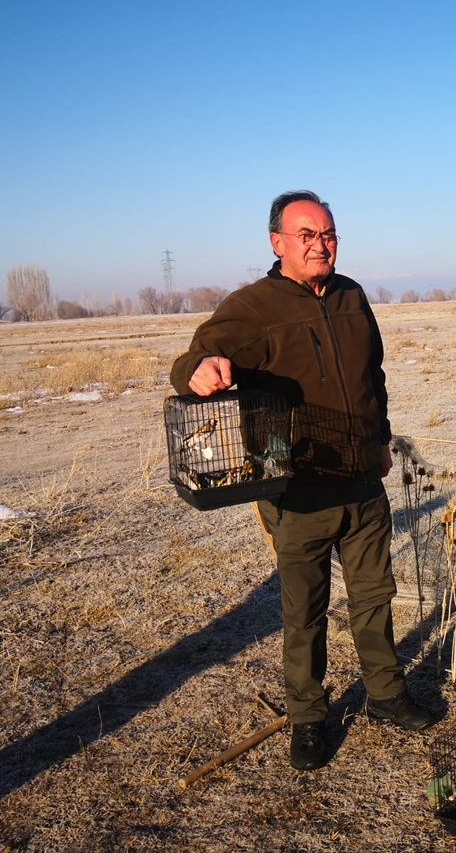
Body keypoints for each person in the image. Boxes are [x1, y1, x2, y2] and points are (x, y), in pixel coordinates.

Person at [170, 190, 438, 772]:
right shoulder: (254, 306)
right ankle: (309, 717)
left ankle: (388, 696)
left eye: (329, 235)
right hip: (298, 487)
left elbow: (374, 375)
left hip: (362, 480)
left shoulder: (351, 295)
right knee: (305, 609)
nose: (321, 245)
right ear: (278, 244)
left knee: (374, 597)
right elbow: (196, 354)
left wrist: (381, 439)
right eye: (307, 236)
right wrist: (200, 369)